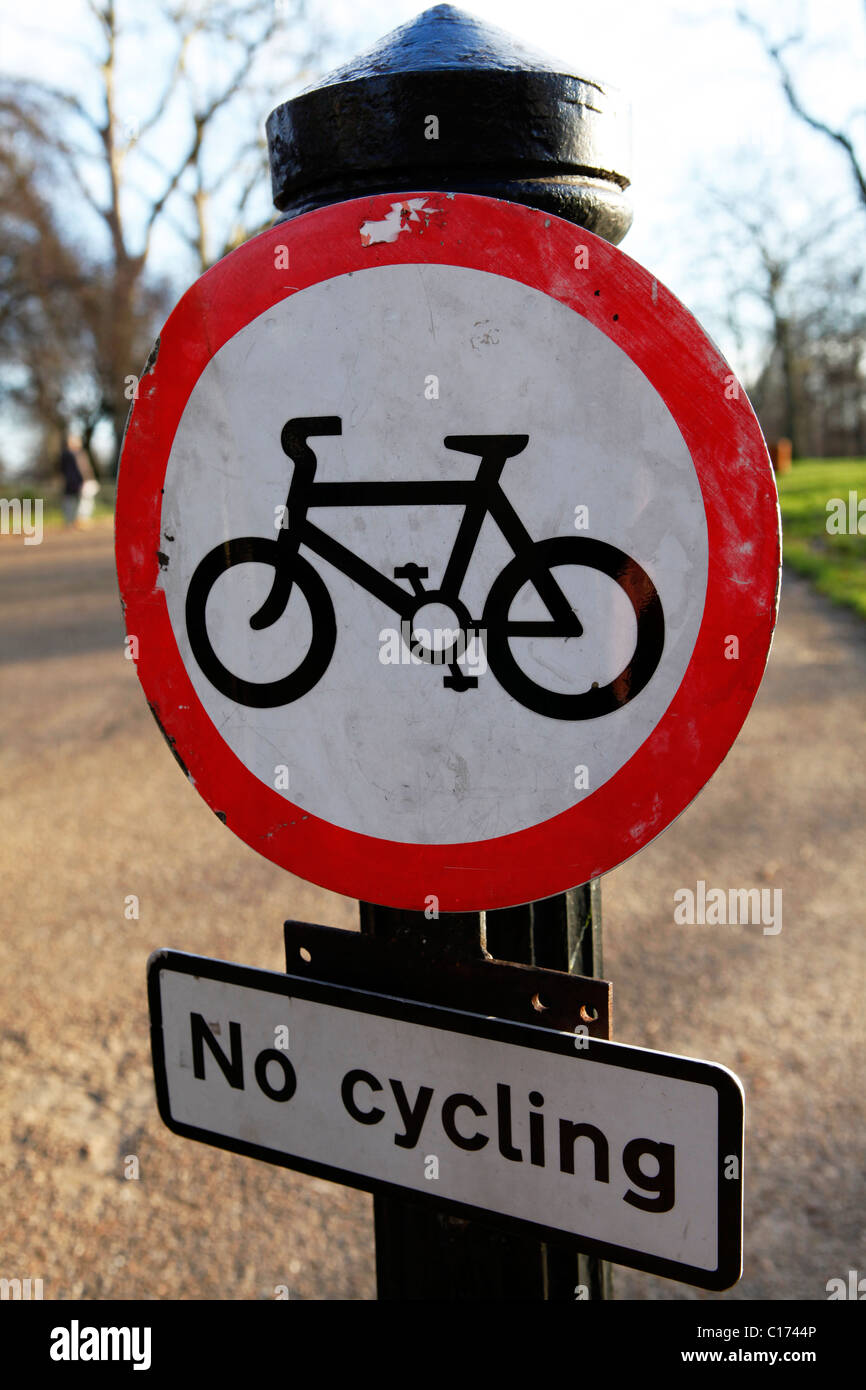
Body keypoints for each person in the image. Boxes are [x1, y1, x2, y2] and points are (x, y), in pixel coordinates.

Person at [58, 434, 97, 526]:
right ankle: (76, 520)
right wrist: (85, 479)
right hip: (75, 482)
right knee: (74, 501)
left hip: (76, 482)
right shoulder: (71, 455)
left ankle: (78, 520)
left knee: (80, 501)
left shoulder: (77, 454)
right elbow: (81, 469)